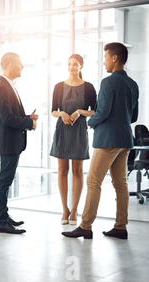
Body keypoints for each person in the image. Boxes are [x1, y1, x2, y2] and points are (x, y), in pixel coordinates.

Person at [62, 42, 139, 240]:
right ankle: (121, 227)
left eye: (105, 57)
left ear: (114, 58)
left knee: (93, 180)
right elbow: (133, 116)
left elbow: (102, 112)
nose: (104, 61)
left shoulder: (108, 82)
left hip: (108, 139)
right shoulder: (133, 84)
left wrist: (91, 122)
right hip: (125, 139)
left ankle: (85, 226)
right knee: (120, 183)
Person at [0, 52, 38, 234]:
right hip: (8, 142)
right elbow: (8, 119)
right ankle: (1, 221)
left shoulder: (7, 85)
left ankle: (4, 216)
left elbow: (10, 115)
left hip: (11, 141)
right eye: (19, 64)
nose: (22, 67)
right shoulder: (1, 88)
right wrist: (29, 123)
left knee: (6, 179)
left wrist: (27, 118)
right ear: (10, 65)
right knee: (4, 180)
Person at [50, 54, 97, 225]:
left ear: (81, 66)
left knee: (77, 171)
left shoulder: (89, 88)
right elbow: (53, 111)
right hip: (62, 129)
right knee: (62, 170)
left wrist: (80, 112)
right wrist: (61, 113)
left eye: (75, 64)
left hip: (79, 131)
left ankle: (75, 210)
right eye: (69, 64)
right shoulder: (58, 87)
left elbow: (95, 111)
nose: (72, 67)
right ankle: (65, 209)